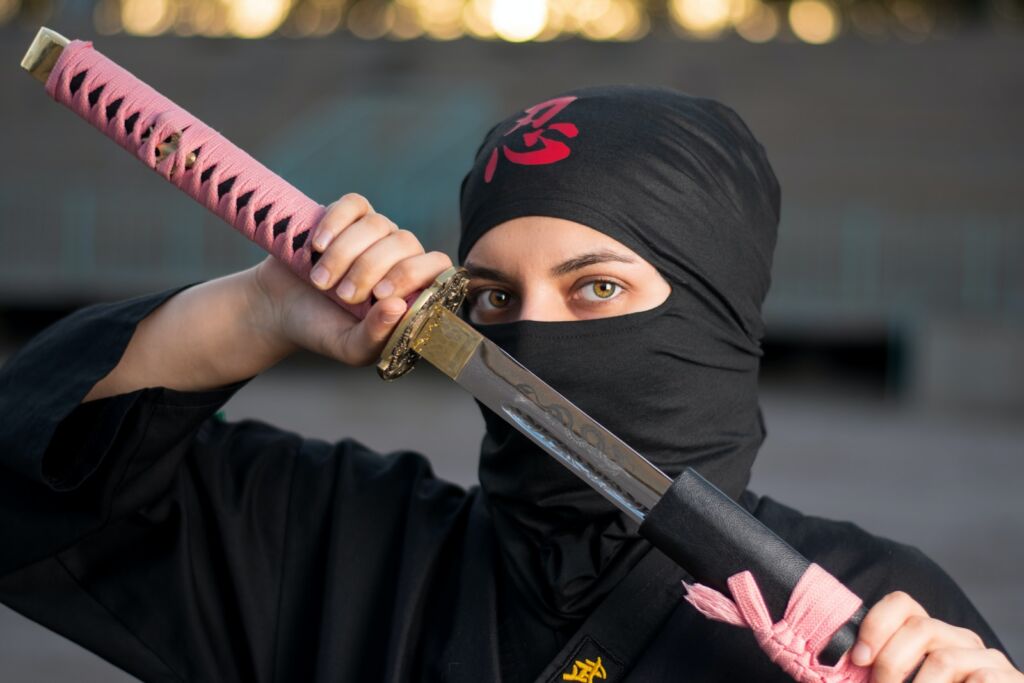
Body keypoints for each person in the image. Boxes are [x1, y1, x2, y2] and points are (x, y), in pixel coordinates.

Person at [0, 85, 1018, 683]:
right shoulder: (343, 545)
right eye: (491, 296)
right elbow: (29, 479)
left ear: (712, 310)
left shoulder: (881, 610)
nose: (533, 336)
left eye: (598, 286)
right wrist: (256, 311)